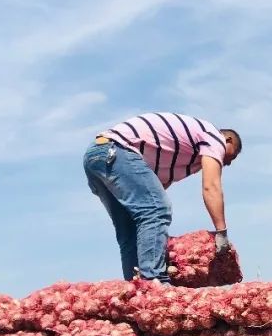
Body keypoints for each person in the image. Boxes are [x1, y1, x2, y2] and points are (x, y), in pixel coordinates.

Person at [84, 113, 242, 282]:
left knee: (130, 229)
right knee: (157, 209)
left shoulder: (184, 160)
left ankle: (134, 288)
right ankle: (153, 279)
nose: (229, 162)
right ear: (229, 140)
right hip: (116, 150)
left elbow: (154, 188)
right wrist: (221, 232)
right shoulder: (214, 138)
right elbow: (211, 187)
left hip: (97, 157)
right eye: (233, 155)